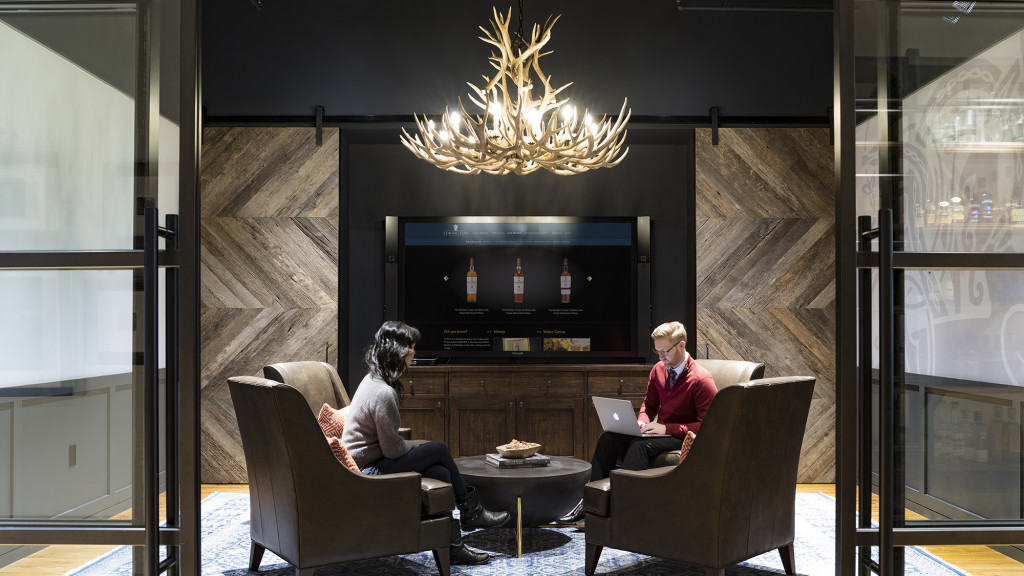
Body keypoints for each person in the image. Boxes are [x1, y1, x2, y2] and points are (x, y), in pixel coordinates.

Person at [342, 321, 510, 565]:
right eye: (411, 348)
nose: (414, 354)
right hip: (368, 471)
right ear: (398, 352)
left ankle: (452, 546)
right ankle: (471, 512)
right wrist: (416, 445)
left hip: (371, 463)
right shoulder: (383, 392)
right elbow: (393, 450)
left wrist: (414, 446)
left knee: (440, 471)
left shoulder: (372, 379)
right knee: (439, 448)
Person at [558, 321, 718, 523]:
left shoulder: (701, 379)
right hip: (659, 431)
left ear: (681, 345)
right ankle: (590, 504)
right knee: (608, 439)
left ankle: (621, 507)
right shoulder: (658, 370)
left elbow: (708, 425)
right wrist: (641, 422)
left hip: (683, 437)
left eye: (664, 351)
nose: (660, 357)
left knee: (639, 446)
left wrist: (666, 428)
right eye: (657, 351)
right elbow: (648, 406)